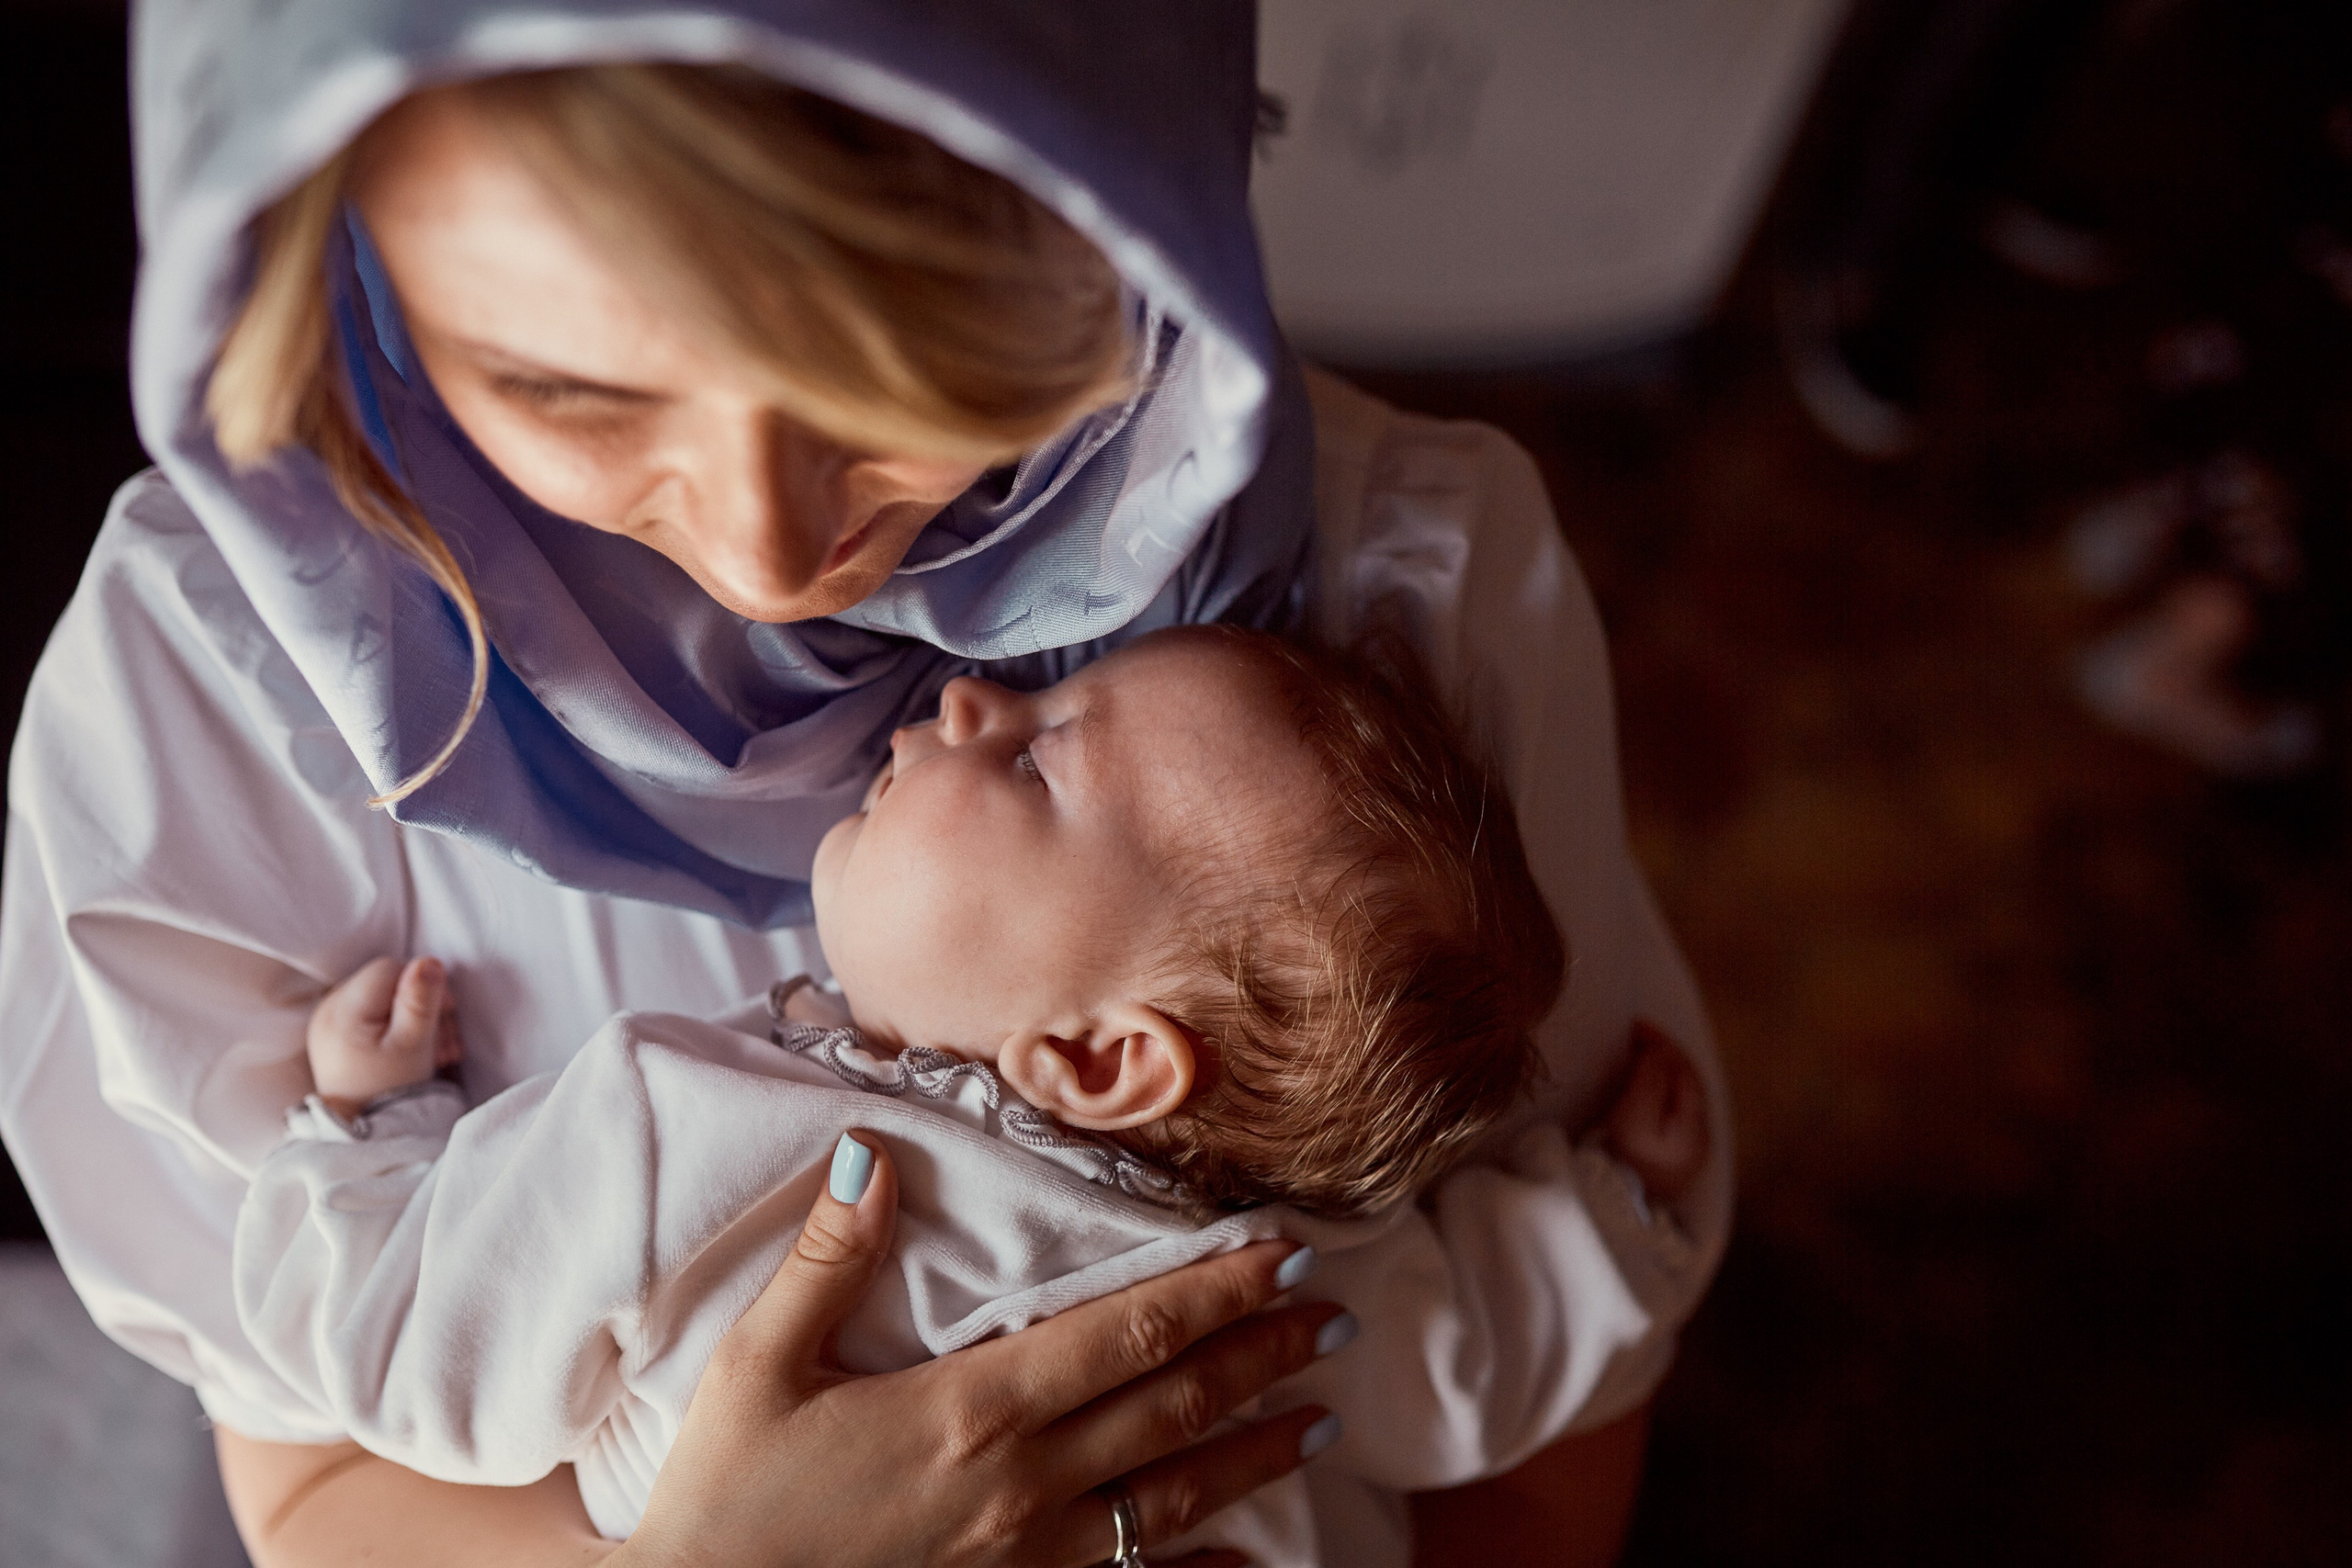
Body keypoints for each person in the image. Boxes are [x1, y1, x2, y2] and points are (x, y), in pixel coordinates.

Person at [0, 6, 1731, 1566]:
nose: (771, 555)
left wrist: (1607, 1252)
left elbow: (1495, 1402)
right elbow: (329, 1457)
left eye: (909, 364)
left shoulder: (1399, 600)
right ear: (338, 253)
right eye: (565, 388)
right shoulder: (218, 698)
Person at [232, 626, 1708, 1563]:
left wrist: (371, 1133)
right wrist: (1612, 1221)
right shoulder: (1266, 1268)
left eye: (1042, 757)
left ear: (1098, 1060)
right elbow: (1465, 1363)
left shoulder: (676, 1133)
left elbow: (390, 1355)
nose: (970, 697)